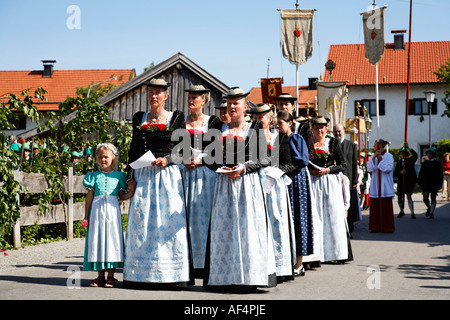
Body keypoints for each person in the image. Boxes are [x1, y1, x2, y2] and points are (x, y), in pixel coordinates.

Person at [203, 87, 277, 291]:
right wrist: (221, 167)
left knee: (249, 230)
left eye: (236, 103)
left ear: (245, 107)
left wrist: (244, 167)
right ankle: (224, 277)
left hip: (248, 184)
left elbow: (266, 158)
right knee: (224, 229)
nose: (232, 106)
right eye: (229, 103)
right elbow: (209, 158)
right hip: (224, 185)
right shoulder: (218, 129)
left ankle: (250, 278)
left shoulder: (253, 129)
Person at [123, 78, 194, 289]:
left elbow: (184, 148)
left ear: (166, 95)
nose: (154, 96)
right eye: (151, 92)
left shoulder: (176, 117)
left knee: (168, 223)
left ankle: (172, 274)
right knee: (142, 222)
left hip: (168, 175)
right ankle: (141, 274)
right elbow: (134, 150)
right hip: (144, 174)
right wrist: (130, 176)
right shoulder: (139, 118)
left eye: (158, 92)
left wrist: (168, 159)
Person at [179, 84, 222, 277]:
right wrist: (182, 159)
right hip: (182, 173)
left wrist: (200, 160)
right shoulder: (180, 121)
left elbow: (217, 152)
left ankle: (202, 263)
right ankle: (184, 261)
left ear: (203, 101)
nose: (191, 100)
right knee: (183, 217)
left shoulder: (212, 122)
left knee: (202, 219)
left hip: (204, 175)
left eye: (195, 97)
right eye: (189, 97)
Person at [82, 143, 134, 288]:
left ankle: (111, 276)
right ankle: (100, 276)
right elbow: (89, 197)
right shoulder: (93, 176)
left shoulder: (119, 176)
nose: (103, 160)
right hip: (97, 211)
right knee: (98, 240)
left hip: (112, 211)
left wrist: (130, 194)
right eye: (100, 157)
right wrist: (86, 216)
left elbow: (121, 196)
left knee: (112, 241)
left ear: (113, 159)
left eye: (106, 157)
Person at [252, 105, 295, 282]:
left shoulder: (279, 138)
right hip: (255, 184)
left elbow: (287, 164)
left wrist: (275, 172)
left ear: (270, 119)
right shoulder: (250, 137)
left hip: (274, 185)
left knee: (276, 222)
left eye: (261, 117)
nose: (257, 120)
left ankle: (280, 267)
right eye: (255, 117)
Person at [276, 110, 313, 276]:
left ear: (290, 123)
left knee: (298, 218)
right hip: (283, 180)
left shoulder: (295, 138)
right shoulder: (278, 139)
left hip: (296, 181)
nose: (277, 126)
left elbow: (302, 161)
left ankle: (299, 263)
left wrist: (286, 166)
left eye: (280, 123)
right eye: (276, 123)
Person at [307, 115, 348, 263]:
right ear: (312, 129)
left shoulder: (333, 143)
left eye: (322, 127)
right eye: (317, 127)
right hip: (313, 182)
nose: (320, 130)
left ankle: (335, 253)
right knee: (315, 216)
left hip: (329, 182)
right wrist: (311, 172)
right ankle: (316, 255)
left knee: (332, 216)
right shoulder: (307, 143)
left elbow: (343, 165)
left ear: (326, 128)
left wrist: (328, 170)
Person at [333, 123, 360, 234]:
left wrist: (354, 180)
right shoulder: (331, 144)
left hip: (348, 178)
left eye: (339, 131)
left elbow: (354, 164)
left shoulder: (351, 145)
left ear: (344, 131)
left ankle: (349, 228)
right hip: (334, 178)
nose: (338, 133)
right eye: (335, 131)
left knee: (348, 204)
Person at [367, 139, 395, 232]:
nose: (374, 147)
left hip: (385, 185)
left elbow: (388, 168)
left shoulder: (389, 156)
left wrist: (380, 159)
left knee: (386, 207)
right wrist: (374, 158)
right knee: (375, 206)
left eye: (375, 145)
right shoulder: (372, 155)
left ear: (380, 146)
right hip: (376, 184)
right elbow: (369, 168)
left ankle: (387, 227)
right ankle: (375, 227)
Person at [393, 143, 418, 219]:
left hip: (409, 181)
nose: (402, 155)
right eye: (401, 153)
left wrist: (409, 148)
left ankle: (412, 212)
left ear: (407, 154)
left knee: (408, 196)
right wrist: (400, 172)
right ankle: (401, 210)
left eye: (404, 153)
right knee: (399, 196)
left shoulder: (410, 160)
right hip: (401, 181)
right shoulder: (399, 163)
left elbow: (415, 155)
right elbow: (395, 172)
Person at [418, 147, 443, 219]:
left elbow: (440, 174)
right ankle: (429, 207)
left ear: (433, 154)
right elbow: (421, 173)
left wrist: (440, 183)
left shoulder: (437, 164)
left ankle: (431, 213)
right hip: (425, 183)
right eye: (428, 153)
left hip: (434, 183)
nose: (429, 155)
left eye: (430, 153)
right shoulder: (424, 163)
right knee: (425, 197)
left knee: (433, 198)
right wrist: (419, 182)